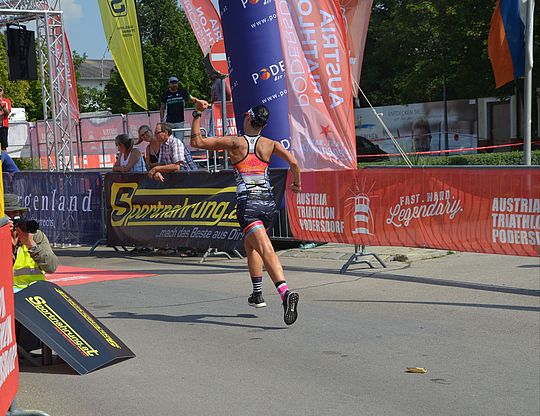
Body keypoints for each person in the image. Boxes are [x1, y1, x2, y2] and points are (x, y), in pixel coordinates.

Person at [190, 100, 302, 325]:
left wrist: (197, 113)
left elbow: (197, 142)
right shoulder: (270, 144)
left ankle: (285, 293)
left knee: (265, 248)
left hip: (248, 203)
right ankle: (257, 293)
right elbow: (294, 162)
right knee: (251, 246)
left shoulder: (235, 142)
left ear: (249, 118)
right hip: (268, 204)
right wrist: (296, 185)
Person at [5, 193, 58, 291]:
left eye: (16, 213)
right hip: (6, 295)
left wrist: (31, 245)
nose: (12, 219)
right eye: (7, 214)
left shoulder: (35, 235)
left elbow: (51, 267)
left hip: (35, 292)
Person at [0, 86, 12, 151]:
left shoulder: (6, 101)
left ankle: (4, 160)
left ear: (2, 92)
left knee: (3, 146)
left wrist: (2, 106)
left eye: (0, 90)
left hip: (3, 126)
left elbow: (7, 112)